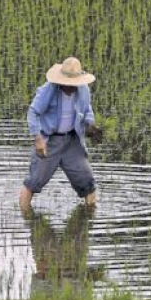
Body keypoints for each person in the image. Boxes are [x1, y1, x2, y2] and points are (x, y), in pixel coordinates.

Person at [19, 57, 101, 211]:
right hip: (50, 142)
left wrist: (90, 126)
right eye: (66, 84)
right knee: (33, 182)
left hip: (72, 142)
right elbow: (33, 112)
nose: (70, 87)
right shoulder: (48, 90)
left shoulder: (83, 90)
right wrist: (38, 139)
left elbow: (87, 110)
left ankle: (87, 221)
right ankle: (26, 219)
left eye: (73, 84)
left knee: (87, 182)